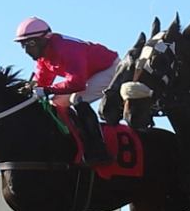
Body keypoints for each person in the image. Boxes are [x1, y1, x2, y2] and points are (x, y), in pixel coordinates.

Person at [15, 17, 117, 164]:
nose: (27, 50)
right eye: (23, 45)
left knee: (76, 99)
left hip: (109, 69)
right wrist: (32, 87)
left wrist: (47, 90)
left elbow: (77, 84)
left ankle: (99, 150)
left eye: (30, 43)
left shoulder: (66, 50)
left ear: (45, 39)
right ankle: (73, 141)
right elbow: (43, 79)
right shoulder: (44, 55)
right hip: (88, 74)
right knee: (56, 101)